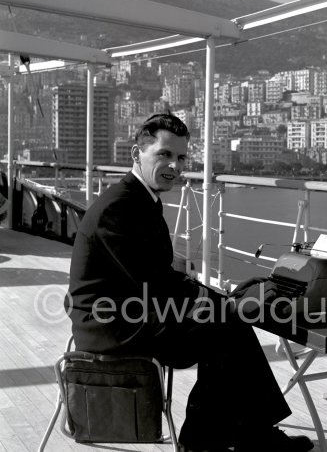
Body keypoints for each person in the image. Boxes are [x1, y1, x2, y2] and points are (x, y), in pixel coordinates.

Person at [65, 113, 313, 452]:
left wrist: (217, 298)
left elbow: (157, 277)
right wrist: (216, 302)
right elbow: (150, 283)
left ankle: (241, 435)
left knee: (227, 323)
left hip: (129, 314)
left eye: (181, 157)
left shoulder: (138, 200)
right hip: (114, 326)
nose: (174, 165)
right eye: (164, 154)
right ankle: (216, 440)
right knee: (226, 325)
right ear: (137, 154)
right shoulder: (119, 208)